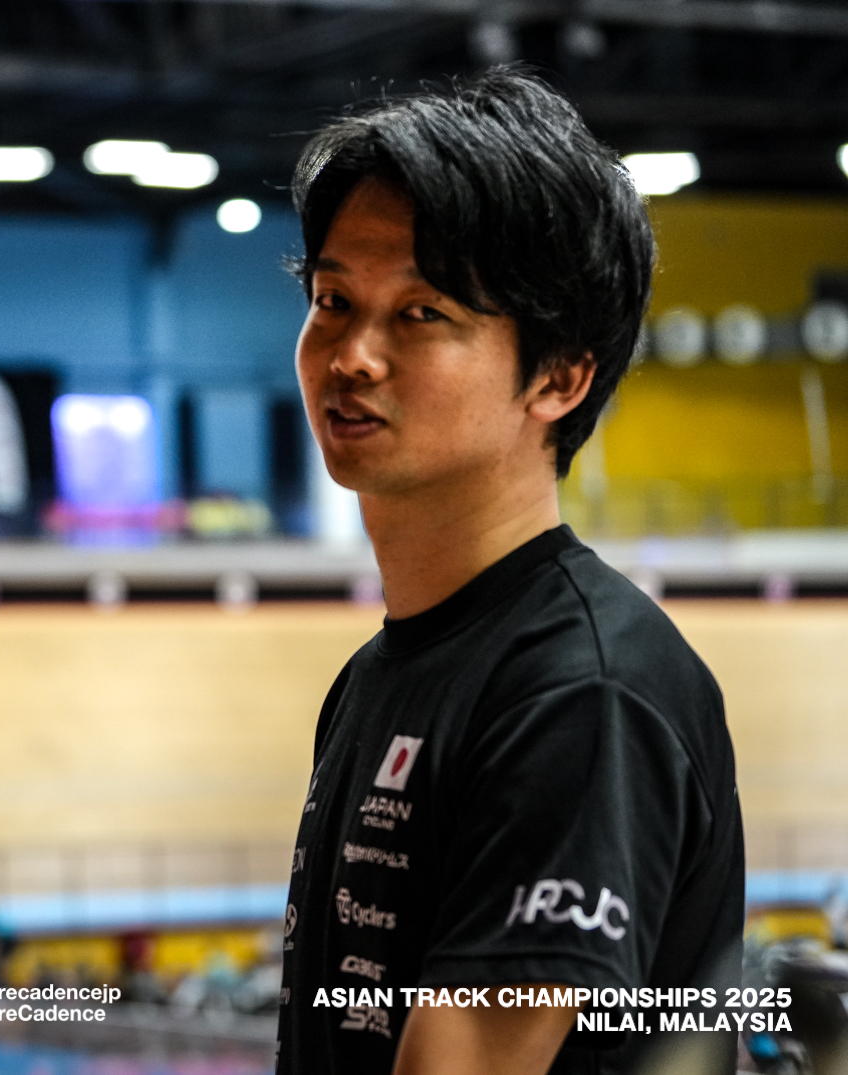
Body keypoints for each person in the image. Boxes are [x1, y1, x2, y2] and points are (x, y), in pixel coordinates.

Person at [274, 68, 742, 1075]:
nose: (350, 353)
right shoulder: (377, 675)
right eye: (332, 299)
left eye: (421, 313)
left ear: (558, 375)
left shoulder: (584, 692)